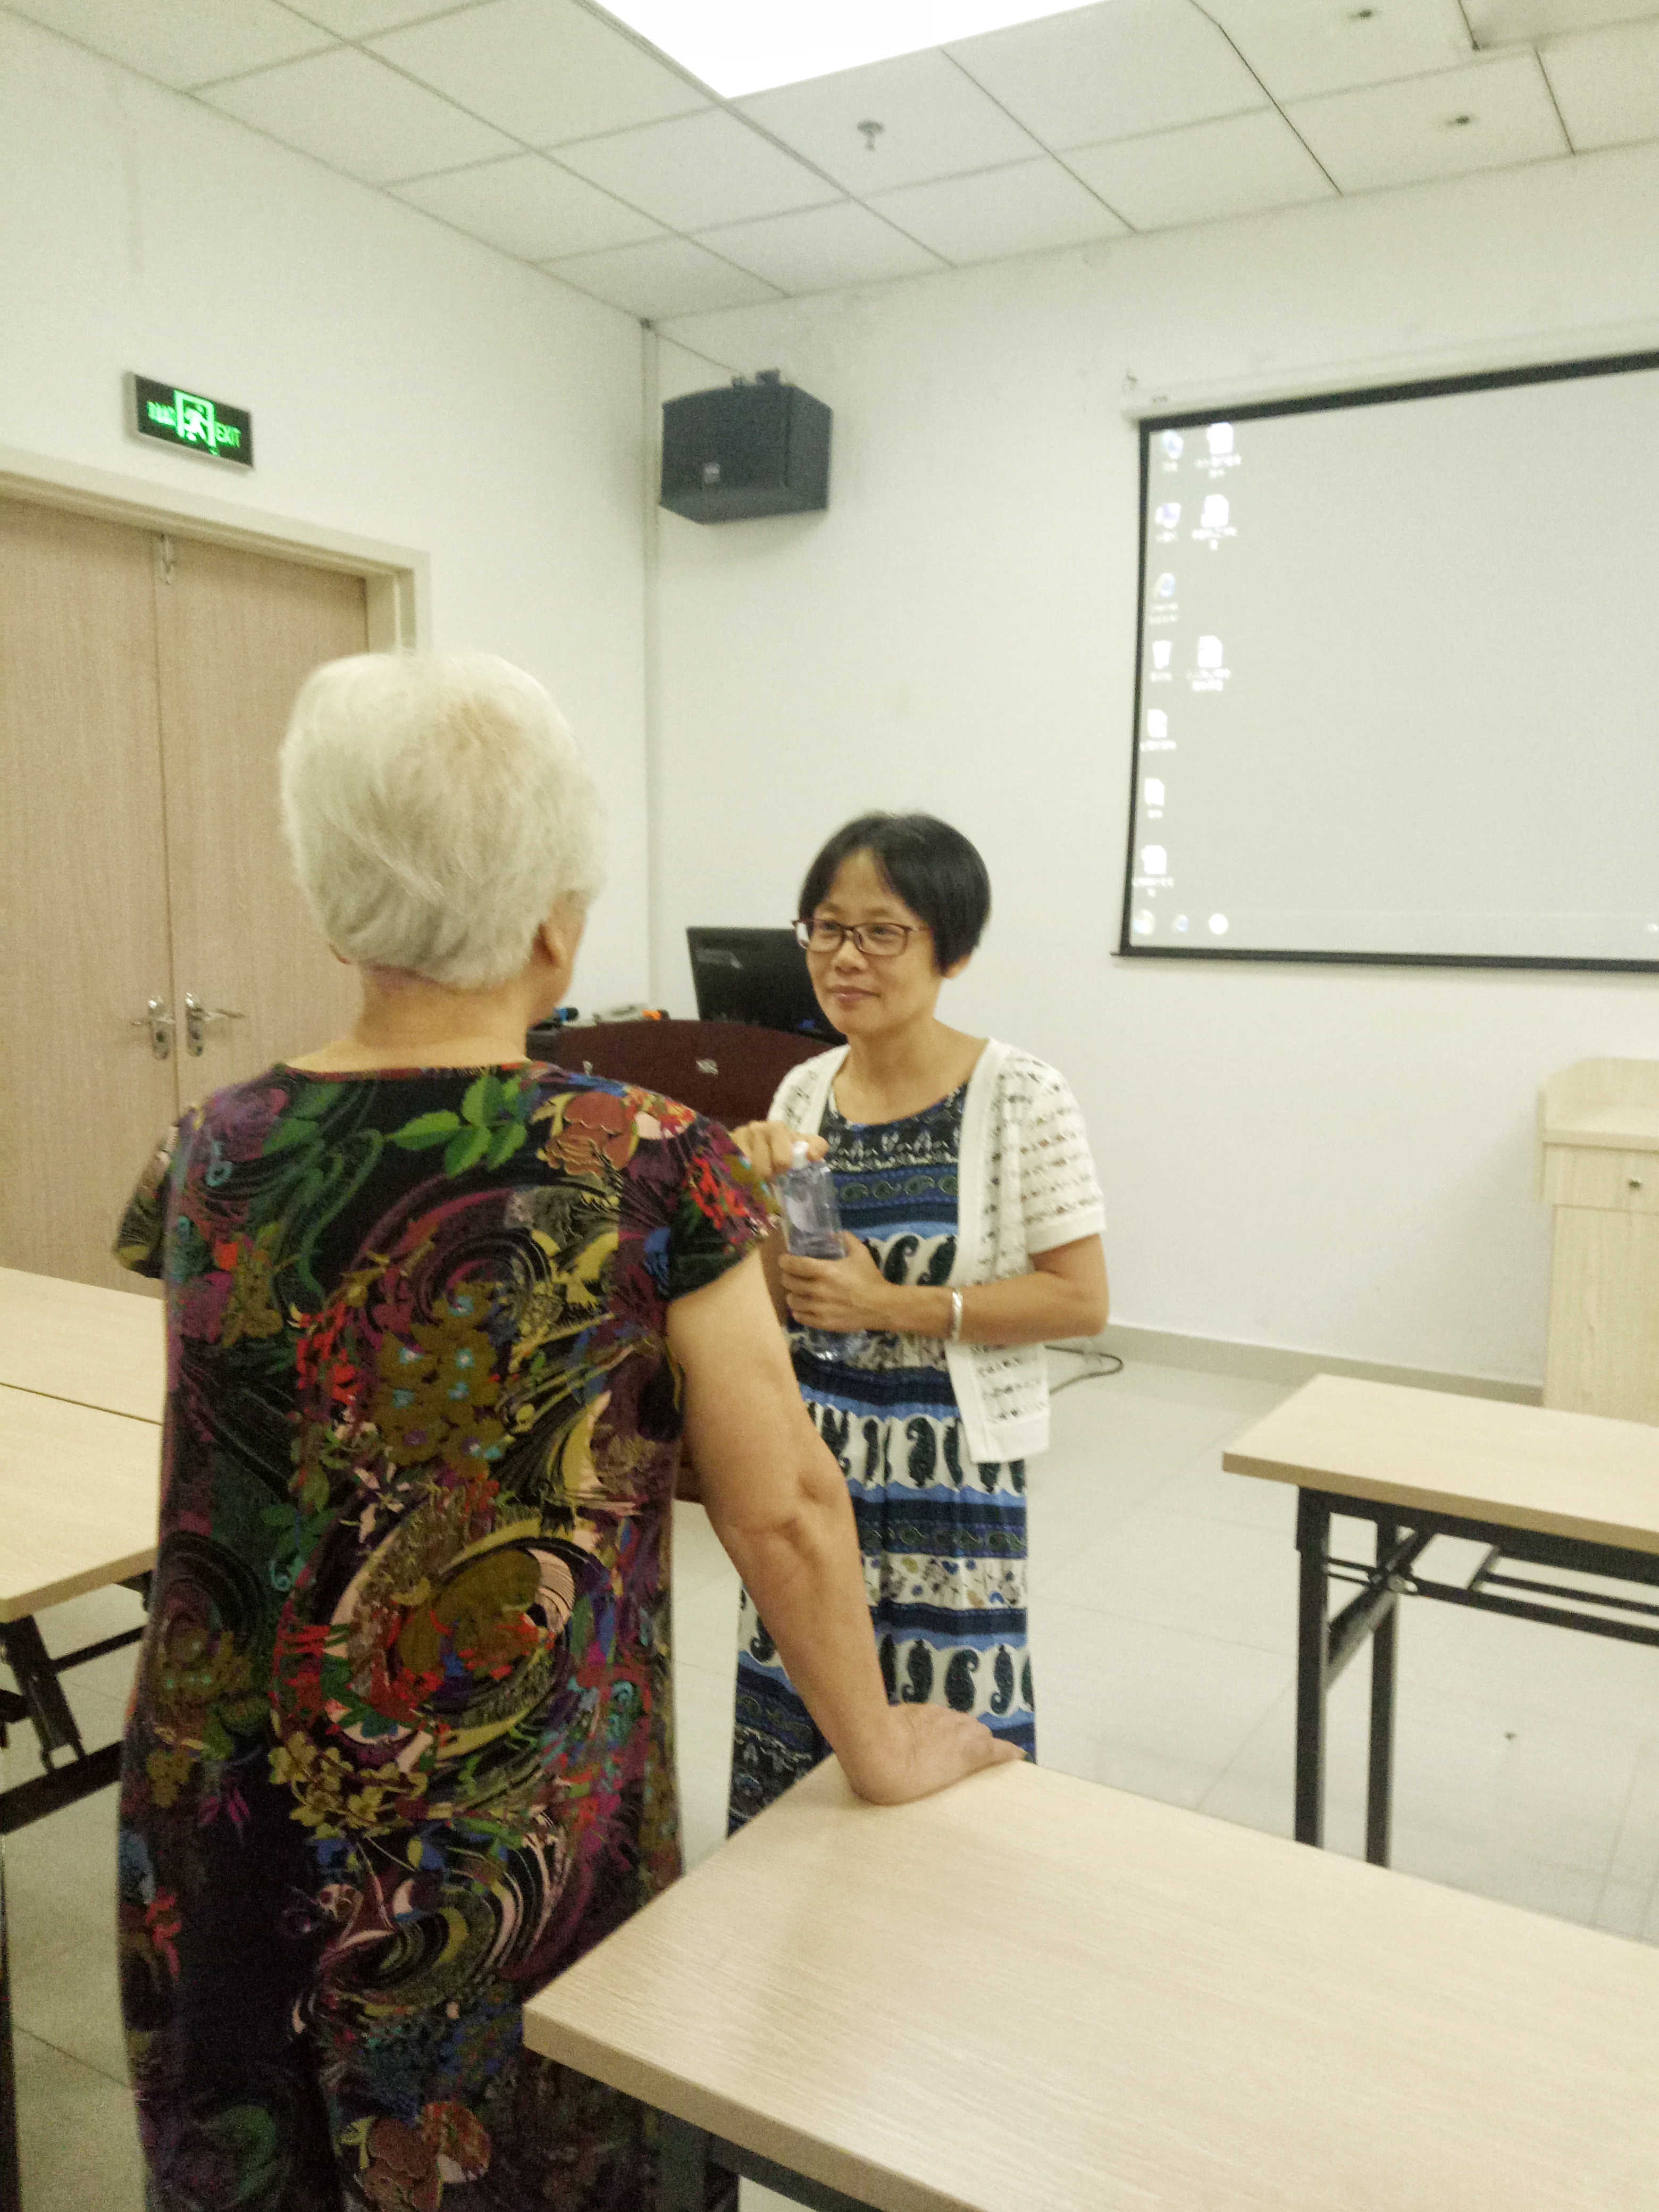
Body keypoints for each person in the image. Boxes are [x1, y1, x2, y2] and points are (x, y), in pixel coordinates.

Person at [112, 656, 1016, 2212]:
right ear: (556, 924)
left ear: (332, 911)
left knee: (259, 2156)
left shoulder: (208, 1147)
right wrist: (876, 1743)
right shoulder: (646, 1158)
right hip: (495, 1831)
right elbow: (785, 1504)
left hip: (223, 1795)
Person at [727, 813, 1108, 1830]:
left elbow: (1080, 1299)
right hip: (815, 1459)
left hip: (953, 1474)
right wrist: (750, 1203)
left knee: (948, 1736)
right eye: (827, 928)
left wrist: (892, 1306)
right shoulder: (803, 1092)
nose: (846, 957)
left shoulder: (1021, 1096)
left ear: (954, 950)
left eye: (882, 932)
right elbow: (781, 1299)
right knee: (805, 1714)